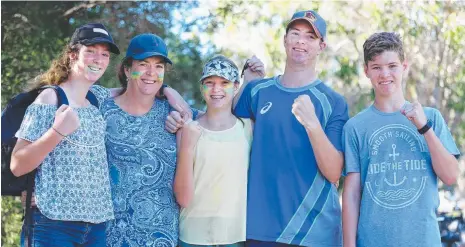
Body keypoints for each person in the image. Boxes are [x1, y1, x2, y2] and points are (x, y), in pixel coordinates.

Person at [165, 9, 348, 247]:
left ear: (321, 46)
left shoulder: (332, 101)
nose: (301, 41)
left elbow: (334, 173)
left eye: (311, 37)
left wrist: (312, 124)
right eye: (295, 33)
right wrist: (178, 109)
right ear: (285, 40)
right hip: (259, 230)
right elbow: (219, 120)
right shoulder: (258, 91)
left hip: (314, 230)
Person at [342, 32, 460, 247]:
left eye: (392, 65)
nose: (385, 74)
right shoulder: (355, 127)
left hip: (423, 241)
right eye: (376, 67)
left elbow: (451, 176)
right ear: (366, 70)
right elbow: (351, 193)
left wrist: (424, 128)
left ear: (404, 66)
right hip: (372, 241)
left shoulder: (430, 117)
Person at [11, 23, 120, 247]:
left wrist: (169, 92)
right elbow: (18, 164)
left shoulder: (96, 99)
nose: (98, 59)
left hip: (96, 226)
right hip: (53, 224)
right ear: (72, 55)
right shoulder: (50, 98)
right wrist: (57, 131)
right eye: (90, 51)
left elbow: (137, 88)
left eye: (104, 54)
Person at [89, 33, 189, 247]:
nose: (151, 73)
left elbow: (215, 121)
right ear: (126, 69)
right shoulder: (100, 111)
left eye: (159, 66)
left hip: (161, 239)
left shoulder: (174, 115)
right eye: (143, 64)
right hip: (106, 237)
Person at [174, 55, 255, 247]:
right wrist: (187, 146)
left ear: (236, 86)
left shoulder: (249, 128)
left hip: (234, 237)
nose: (216, 89)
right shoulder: (187, 129)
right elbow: (182, 197)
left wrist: (253, 77)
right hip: (192, 237)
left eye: (224, 82)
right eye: (209, 82)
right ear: (201, 87)